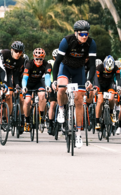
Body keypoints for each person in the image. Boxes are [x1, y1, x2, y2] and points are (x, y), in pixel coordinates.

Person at [52, 20, 97, 149]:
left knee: (79, 100)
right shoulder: (66, 41)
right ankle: (61, 109)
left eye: (86, 34)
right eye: (82, 34)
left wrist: (89, 79)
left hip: (79, 70)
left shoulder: (91, 43)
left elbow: (92, 65)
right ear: (76, 33)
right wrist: (54, 80)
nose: (84, 36)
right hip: (65, 67)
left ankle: (78, 133)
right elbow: (57, 62)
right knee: (61, 88)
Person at [22, 48, 52, 132]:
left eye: (41, 59)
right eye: (37, 58)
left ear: (43, 58)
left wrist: (48, 86)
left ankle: (42, 117)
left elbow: (47, 77)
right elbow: (24, 78)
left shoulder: (47, 64)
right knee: (27, 101)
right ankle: (27, 121)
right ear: (34, 58)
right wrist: (24, 86)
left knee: (42, 95)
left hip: (38, 83)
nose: (39, 60)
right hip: (29, 84)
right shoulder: (29, 64)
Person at [1, 41, 25, 132]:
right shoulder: (4, 54)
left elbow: (15, 75)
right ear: (11, 50)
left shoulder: (20, 61)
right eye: (16, 51)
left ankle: (7, 118)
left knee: (9, 95)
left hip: (8, 76)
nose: (18, 53)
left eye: (20, 52)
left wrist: (17, 85)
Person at [94, 55, 121, 130]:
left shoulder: (115, 67)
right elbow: (95, 79)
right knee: (100, 101)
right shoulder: (99, 67)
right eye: (107, 70)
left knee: (112, 97)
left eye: (110, 70)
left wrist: (119, 86)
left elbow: (118, 78)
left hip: (109, 85)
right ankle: (97, 121)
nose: (108, 71)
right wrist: (96, 88)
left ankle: (111, 112)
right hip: (100, 85)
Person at [47, 48, 58, 135]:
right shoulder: (51, 63)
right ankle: (50, 124)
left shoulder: (64, 63)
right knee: (53, 104)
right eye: (55, 57)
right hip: (52, 84)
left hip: (63, 84)